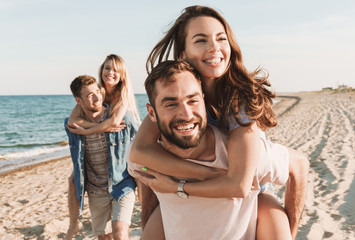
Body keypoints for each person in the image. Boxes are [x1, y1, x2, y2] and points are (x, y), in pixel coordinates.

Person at [129, 5, 308, 239]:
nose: (214, 47)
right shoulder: (176, 99)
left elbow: (240, 184)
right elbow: (141, 153)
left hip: (252, 191)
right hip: (207, 184)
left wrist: (178, 186)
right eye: (201, 40)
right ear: (183, 53)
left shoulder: (239, 100)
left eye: (220, 38)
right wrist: (202, 174)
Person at [64, 54, 141, 239]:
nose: (110, 73)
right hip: (96, 187)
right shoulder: (98, 90)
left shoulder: (123, 97)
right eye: (107, 68)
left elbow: (115, 121)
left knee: (120, 233)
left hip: (121, 182)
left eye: (116, 70)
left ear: (122, 75)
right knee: (73, 180)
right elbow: (73, 121)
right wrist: (88, 130)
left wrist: (88, 130)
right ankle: (73, 225)